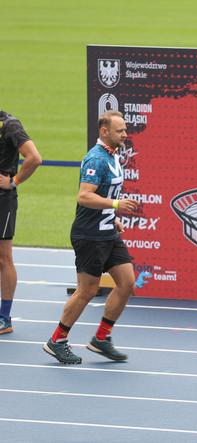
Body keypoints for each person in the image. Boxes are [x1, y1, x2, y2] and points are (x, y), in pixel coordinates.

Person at [43, 111, 139, 364]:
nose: (125, 134)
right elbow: (84, 196)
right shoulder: (96, 159)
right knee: (87, 291)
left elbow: (101, 198)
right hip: (89, 236)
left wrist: (112, 216)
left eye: (125, 130)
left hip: (107, 233)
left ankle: (101, 338)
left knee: (127, 282)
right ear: (104, 132)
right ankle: (57, 339)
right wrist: (115, 204)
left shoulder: (113, 156)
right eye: (120, 131)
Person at [0, 110, 42, 334]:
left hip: (1, 200)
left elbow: (34, 158)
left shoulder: (10, 125)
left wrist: (13, 182)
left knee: (3, 257)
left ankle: (4, 318)